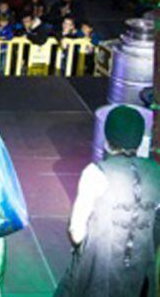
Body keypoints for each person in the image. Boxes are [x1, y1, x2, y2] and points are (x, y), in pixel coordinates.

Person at [55, 106, 160, 297]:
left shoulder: (95, 173)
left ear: (107, 139)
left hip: (96, 278)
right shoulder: (157, 173)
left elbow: (77, 233)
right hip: (139, 280)